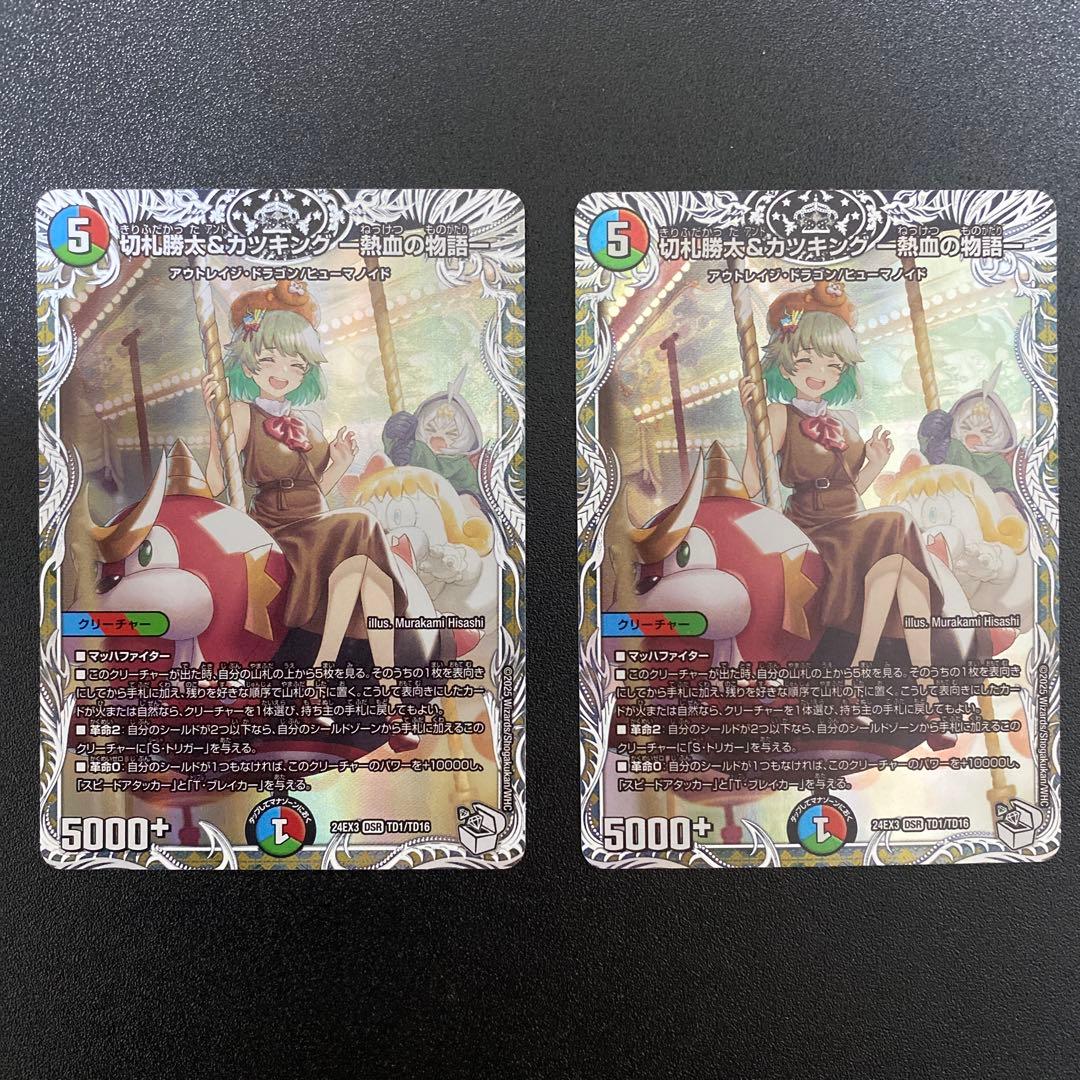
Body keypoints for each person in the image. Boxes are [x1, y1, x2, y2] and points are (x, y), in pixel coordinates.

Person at [201, 279, 418, 751]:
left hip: (319, 523)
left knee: (361, 573)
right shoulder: (240, 413)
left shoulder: (307, 420)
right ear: (249, 361)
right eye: (271, 360)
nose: (283, 373)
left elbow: (315, 489)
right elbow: (215, 483)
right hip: (280, 532)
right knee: (361, 525)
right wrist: (215, 428)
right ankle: (370, 695)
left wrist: (338, 461)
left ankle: (368, 695)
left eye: (296, 364)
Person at [738, 281, 954, 749]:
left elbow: (851, 490)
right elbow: (752, 485)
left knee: (898, 571)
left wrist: (874, 462)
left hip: (854, 522)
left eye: (833, 365)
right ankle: (911, 697)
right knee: (896, 523)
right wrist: (751, 423)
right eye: (808, 360)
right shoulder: (777, 415)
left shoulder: (846, 421)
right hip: (815, 530)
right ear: (786, 361)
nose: (820, 373)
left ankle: (908, 695)